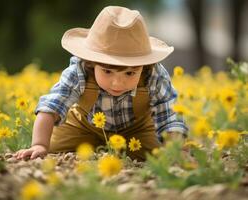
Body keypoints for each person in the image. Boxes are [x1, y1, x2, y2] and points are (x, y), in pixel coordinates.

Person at [14, 6, 188, 161]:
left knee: (161, 155)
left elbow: (169, 115)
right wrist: (39, 145)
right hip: (83, 127)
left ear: (144, 65)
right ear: (91, 62)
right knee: (52, 148)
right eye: (107, 71)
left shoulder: (154, 73)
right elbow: (51, 106)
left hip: (137, 130)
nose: (117, 82)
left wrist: (175, 149)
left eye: (129, 73)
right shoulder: (79, 70)